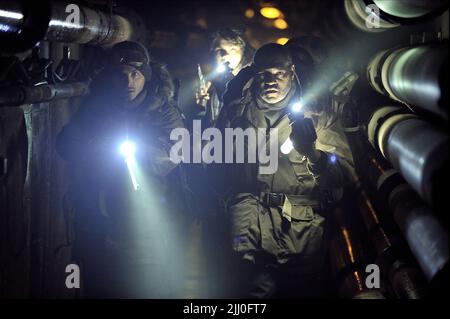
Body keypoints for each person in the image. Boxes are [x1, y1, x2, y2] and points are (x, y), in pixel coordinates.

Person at [217, 43, 355, 298]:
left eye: (278, 73)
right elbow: (217, 167)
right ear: (254, 74)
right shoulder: (236, 113)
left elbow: (342, 177)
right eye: (263, 74)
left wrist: (313, 154)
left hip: (298, 231)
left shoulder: (317, 115)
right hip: (248, 225)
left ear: (291, 72)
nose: (270, 81)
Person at [56, 41, 186, 298]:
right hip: (97, 213)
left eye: (135, 74)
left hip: (146, 217)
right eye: (121, 75)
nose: (128, 82)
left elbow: (173, 152)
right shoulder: (95, 108)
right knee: (99, 284)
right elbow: (66, 145)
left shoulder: (164, 110)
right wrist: (91, 144)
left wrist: (138, 151)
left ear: (145, 76)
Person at [194, 28, 255, 127]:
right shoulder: (211, 84)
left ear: (243, 51)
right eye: (219, 50)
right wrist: (201, 108)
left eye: (232, 49)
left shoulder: (254, 80)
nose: (225, 55)